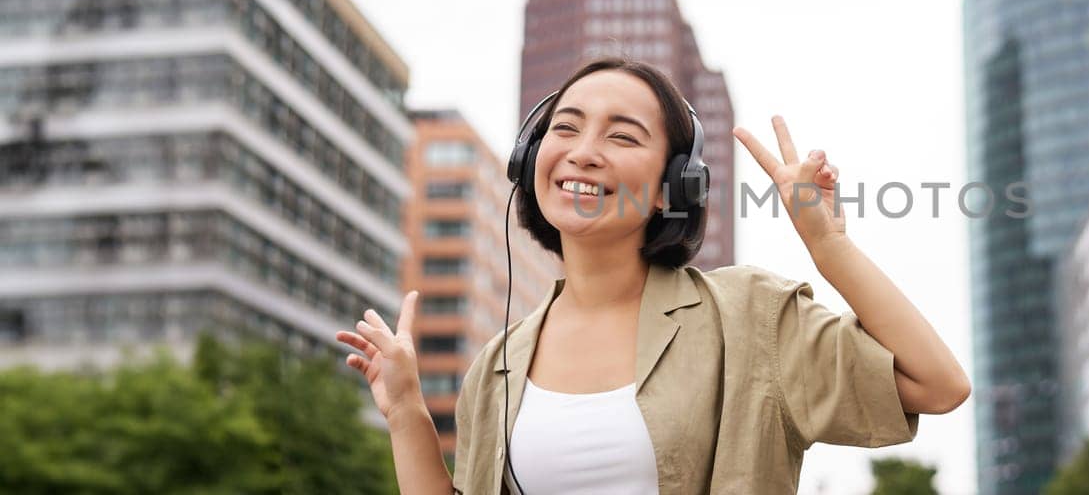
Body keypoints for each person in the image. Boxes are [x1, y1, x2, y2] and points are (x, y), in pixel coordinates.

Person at [335, 57, 970, 494]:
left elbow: (937, 385)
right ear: (531, 158)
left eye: (623, 136)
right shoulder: (498, 364)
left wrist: (828, 248)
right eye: (566, 127)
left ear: (673, 188)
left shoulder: (750, 320)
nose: (584, 151)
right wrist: (407, 413)